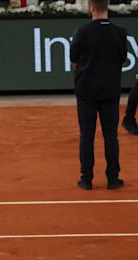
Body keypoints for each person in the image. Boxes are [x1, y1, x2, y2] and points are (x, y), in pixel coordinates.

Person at [70, 0, 127, 190]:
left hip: (86, 91)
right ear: (107, 7)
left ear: (91, 7)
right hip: (110, 91)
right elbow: (123, 61)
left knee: (87, 134)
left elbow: (74, 62)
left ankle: (86, 179)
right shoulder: (119, 32)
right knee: (111, 135)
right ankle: (113, 178)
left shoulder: (81, 32)